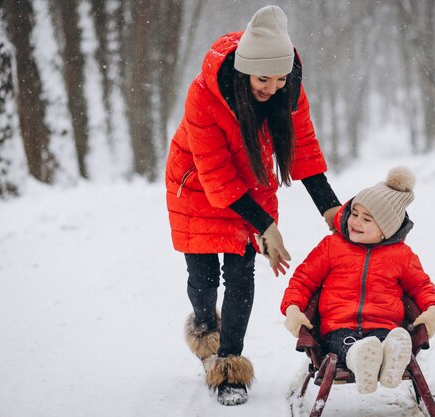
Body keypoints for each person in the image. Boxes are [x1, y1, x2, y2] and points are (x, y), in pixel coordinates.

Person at [165, 5, 341, 406]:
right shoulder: (204, 95)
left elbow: (304, 151)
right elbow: (215, 176)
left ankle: (228, 364)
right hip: (195, 186)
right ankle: (206, 327)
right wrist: (266, 225)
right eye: (264, 79)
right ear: (244, 71)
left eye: (281, 78)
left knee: (242, 276)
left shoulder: (289, 90)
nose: (273, 87)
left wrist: (330, 208)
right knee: (204, 279)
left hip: (250, 187)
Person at [280, 167, 435, 394]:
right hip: (338, 328)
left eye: (366, 219)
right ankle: (362, 359)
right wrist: (293, 307)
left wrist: (432, 308)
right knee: (351, 346)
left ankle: (390, 361)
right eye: (354, 214)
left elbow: (421, 286)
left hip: (383, 326)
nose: (355, 222)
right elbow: (303, 280)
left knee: (387, 342)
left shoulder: (401, 256)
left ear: (387, 230)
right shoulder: (332, 247)